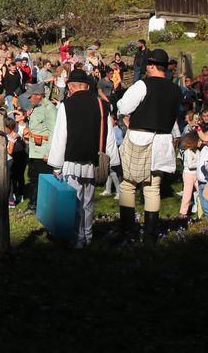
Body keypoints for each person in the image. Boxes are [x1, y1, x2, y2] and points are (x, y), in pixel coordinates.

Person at [116, 47, 183, 240]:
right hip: (163, 140)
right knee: (153, 187)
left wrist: (126, 116)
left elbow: (124, 106)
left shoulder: (142, 85)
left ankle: (127, 230)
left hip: (140, 138)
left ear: (152, 66)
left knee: (128, 184)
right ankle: (150, 233)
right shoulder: (176, 89)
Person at [47, 67, 112, 249]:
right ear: (87, 86)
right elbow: (108, 135)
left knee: (76, 201)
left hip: (72, 159)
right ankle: (88, 236)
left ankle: (78, 238)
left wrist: (56, 165)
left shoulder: (66, 105)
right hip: (93, 159)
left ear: (71, 86)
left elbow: (61, 135)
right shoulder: (102, 105)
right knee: (88, 201)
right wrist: (113, 160)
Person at [23, 84, 55, 211]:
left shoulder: (49, 108)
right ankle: (34, 204)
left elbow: (53, 132)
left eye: (30, 96)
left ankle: (44, 206)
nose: (29, 99)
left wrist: (48, 152)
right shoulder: (35, 107)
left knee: (44, 180)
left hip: (43, 152)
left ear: (38, 96)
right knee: (33, 178)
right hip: (33, 150)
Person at [177, 130, 205, 218]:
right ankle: (183, 212)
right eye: (199, 141)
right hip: (188, 175)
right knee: (187, 194)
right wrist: (199, 163)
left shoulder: (198, 151)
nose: (201, 142)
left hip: (196, 174)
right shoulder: (188, 152)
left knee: (202, 191)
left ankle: (203, 210)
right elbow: (190, 165)